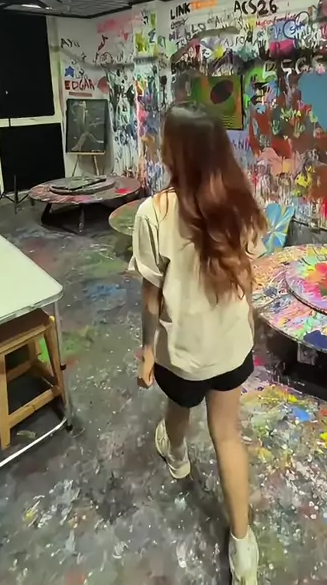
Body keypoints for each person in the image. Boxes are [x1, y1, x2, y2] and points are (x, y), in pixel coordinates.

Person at [130, 102, 266, 584]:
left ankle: (177, 456)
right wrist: (247, 327)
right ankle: (243, 549)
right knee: (227, 434)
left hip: (181, 353)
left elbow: (151, 295)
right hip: (231, 347)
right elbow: (250, 277)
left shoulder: (153, 212)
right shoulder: (242, 203)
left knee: (179, 406)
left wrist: (148, 350)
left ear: (174, 151)